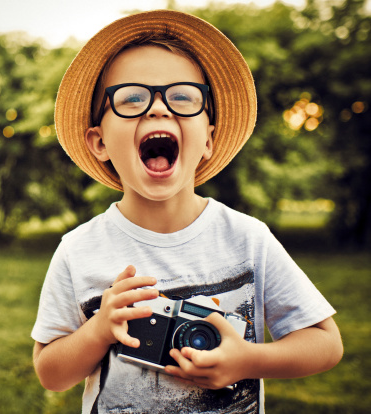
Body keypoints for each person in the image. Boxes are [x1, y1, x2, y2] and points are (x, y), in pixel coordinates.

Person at [31, 10, 343, 414]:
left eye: (182, 96)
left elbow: (326, 343)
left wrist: (246, 361)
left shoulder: (248, 238)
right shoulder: (78, 251)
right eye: (130, 98)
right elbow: (50, 374)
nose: (158, 108)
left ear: (209, 138)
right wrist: (98, 330)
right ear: (99, 142)